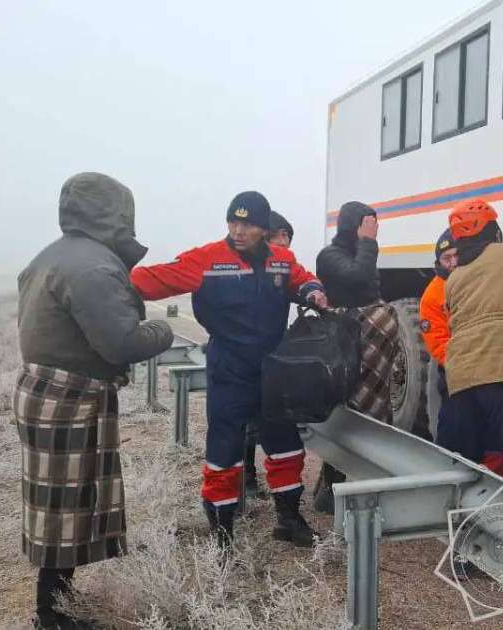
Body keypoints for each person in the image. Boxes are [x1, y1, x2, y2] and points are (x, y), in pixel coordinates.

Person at [17, 172, 175, 629]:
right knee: (64, 506)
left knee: (59, 502)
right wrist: (162, 329)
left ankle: (58, 600)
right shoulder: (94, 267)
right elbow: (122, 343)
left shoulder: (51, 256)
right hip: (70, 399)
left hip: (44, 392)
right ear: (114, 212)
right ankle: (51, 613)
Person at [131, 191, 328, 548]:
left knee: (286, 445)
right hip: (230, 368)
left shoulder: (281, 260)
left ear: (263, 228)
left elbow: (303, 279)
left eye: (247, 224)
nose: (238, 230)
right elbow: (150, 280)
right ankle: (222, 533)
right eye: (233, 222)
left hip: (273, 369)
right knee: (224, 450)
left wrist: (314, 291)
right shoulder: (206, 259)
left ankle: (288, 519)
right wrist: (107, 280)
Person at [437, 199, 503, 489]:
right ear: (493, 231)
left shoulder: (453, 278)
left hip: (462, 379)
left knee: (467, 459)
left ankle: (468, 520)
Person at [420, 227, 503, 444]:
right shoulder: (433, 295)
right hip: (463, 371)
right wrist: (469, 364)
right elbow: (438, 342)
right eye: (446, 258)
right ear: (438, 262)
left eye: (456, 255)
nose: (453, 263)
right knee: (460, 431)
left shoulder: (499, 268)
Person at [311, 201, 403, 513]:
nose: (374, 230)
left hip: (373, 347)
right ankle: (331, 487)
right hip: (345, 343)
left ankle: (371, 486)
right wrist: (368, 243)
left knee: (377, 409)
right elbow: (357, 278)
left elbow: (369, 286)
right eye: (368, 224)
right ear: (355, 226)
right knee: (344, 407)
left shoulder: (363, 251)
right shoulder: (330, 256)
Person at [241, 208, 298, 497]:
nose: (285, 242)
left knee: (268, 416)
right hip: (241, 353)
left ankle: (271, 483)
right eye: (279, 236)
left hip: (272, 351)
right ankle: (246, 477)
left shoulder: (284, 266)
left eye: (288, 237)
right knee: (245, 417)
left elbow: (301, 284)